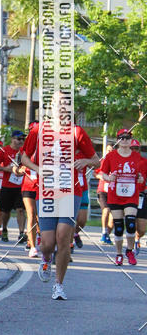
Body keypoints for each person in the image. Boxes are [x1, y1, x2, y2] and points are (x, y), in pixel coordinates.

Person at [21, 103, 99, 300]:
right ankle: (46, 258)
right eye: (57, 105)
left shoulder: (76, 131)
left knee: (63, 236)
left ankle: (59, 285)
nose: (62, 109)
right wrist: (38, 169)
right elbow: (24, 158)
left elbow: (96, 160)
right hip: (46, 191)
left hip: (70, 190)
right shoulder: (38, 130)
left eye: (66, 105)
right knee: (47, 243)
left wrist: (85, 162)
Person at [99, 129, 146, 267]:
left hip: (131, 194)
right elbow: (102, 173)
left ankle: (129, 251)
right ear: (118, 140)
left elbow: (141, 177)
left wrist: (140, 179)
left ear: (131, 140)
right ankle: (119, 254)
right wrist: (109, 178)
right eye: (122, 138)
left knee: (131, 224)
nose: (125, 140)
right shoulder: (111, 156)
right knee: (118, 227)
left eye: (127, 138)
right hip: (115, 195)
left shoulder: (137, 157)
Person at [0, 131, 27, 243]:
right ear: (12, 139)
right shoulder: (5, 150)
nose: (21, 141)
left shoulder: (24, 151)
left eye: (23, 139)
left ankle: (22, 233)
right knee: (5, 211)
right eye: (19, 139)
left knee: (20, 209)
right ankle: (4, 229)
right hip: (7, 185)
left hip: (21, 185)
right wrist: (6, 169)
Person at [131, 139, 147, 254]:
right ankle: (130, 244)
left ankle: (138, 238)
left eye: (136, 148)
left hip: (141, 195)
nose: (134, 151)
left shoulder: (144, 162)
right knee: (130, 222)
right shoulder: (123, 160)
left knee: (141, 228)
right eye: (132, 148)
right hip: (128, 196)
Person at [96, 145, 114, 244]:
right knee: (106, 210)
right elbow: (95, 173)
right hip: (103, 190)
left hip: (113, 191)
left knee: (113, 219)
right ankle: (103, 233)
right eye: (108, 150)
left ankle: (107, 235)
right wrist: (101, 177)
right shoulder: (102, 161)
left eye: (111, 150)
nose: (109, 152)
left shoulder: (116, 161)